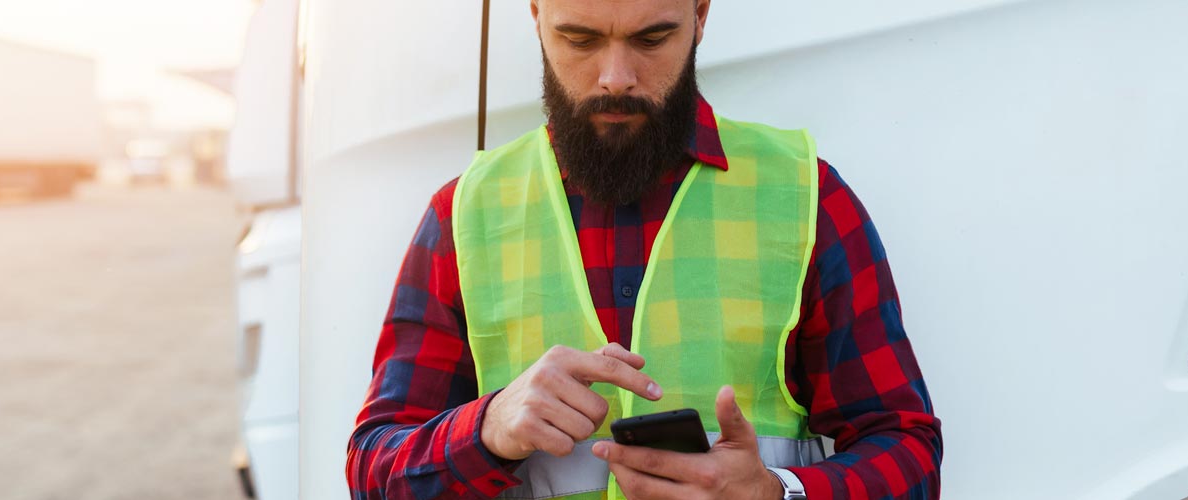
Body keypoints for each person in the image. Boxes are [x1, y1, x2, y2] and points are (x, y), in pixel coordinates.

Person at [347, 1, 941, 498]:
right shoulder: (464, 215)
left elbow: (909, 452)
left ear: (700, 15)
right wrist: (488, 428)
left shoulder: (805, 196)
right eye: (579, 38)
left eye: (651, 38)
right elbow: (373, 472)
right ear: (535, 14)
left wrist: (776, 491)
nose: (616, 77)